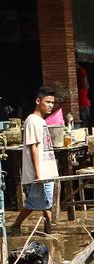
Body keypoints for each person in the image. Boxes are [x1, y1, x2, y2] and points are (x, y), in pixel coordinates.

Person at [11, 86, 58, 235]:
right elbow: (34, 148)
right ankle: (45, 230)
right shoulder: (32, 121)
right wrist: (38, 173)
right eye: (47, 102)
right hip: (40, 172)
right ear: (38, 101)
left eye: (52, 102)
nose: (50, 105)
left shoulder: (41, 121)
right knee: (40, 203)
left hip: (46, 170)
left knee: (45, 202)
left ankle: (47, 229)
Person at [76, 62, 90, 127]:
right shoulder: (81, 71)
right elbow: (86, 85)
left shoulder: (80, 71)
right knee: (84, 123)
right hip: (82, 102)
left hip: (82, 101)